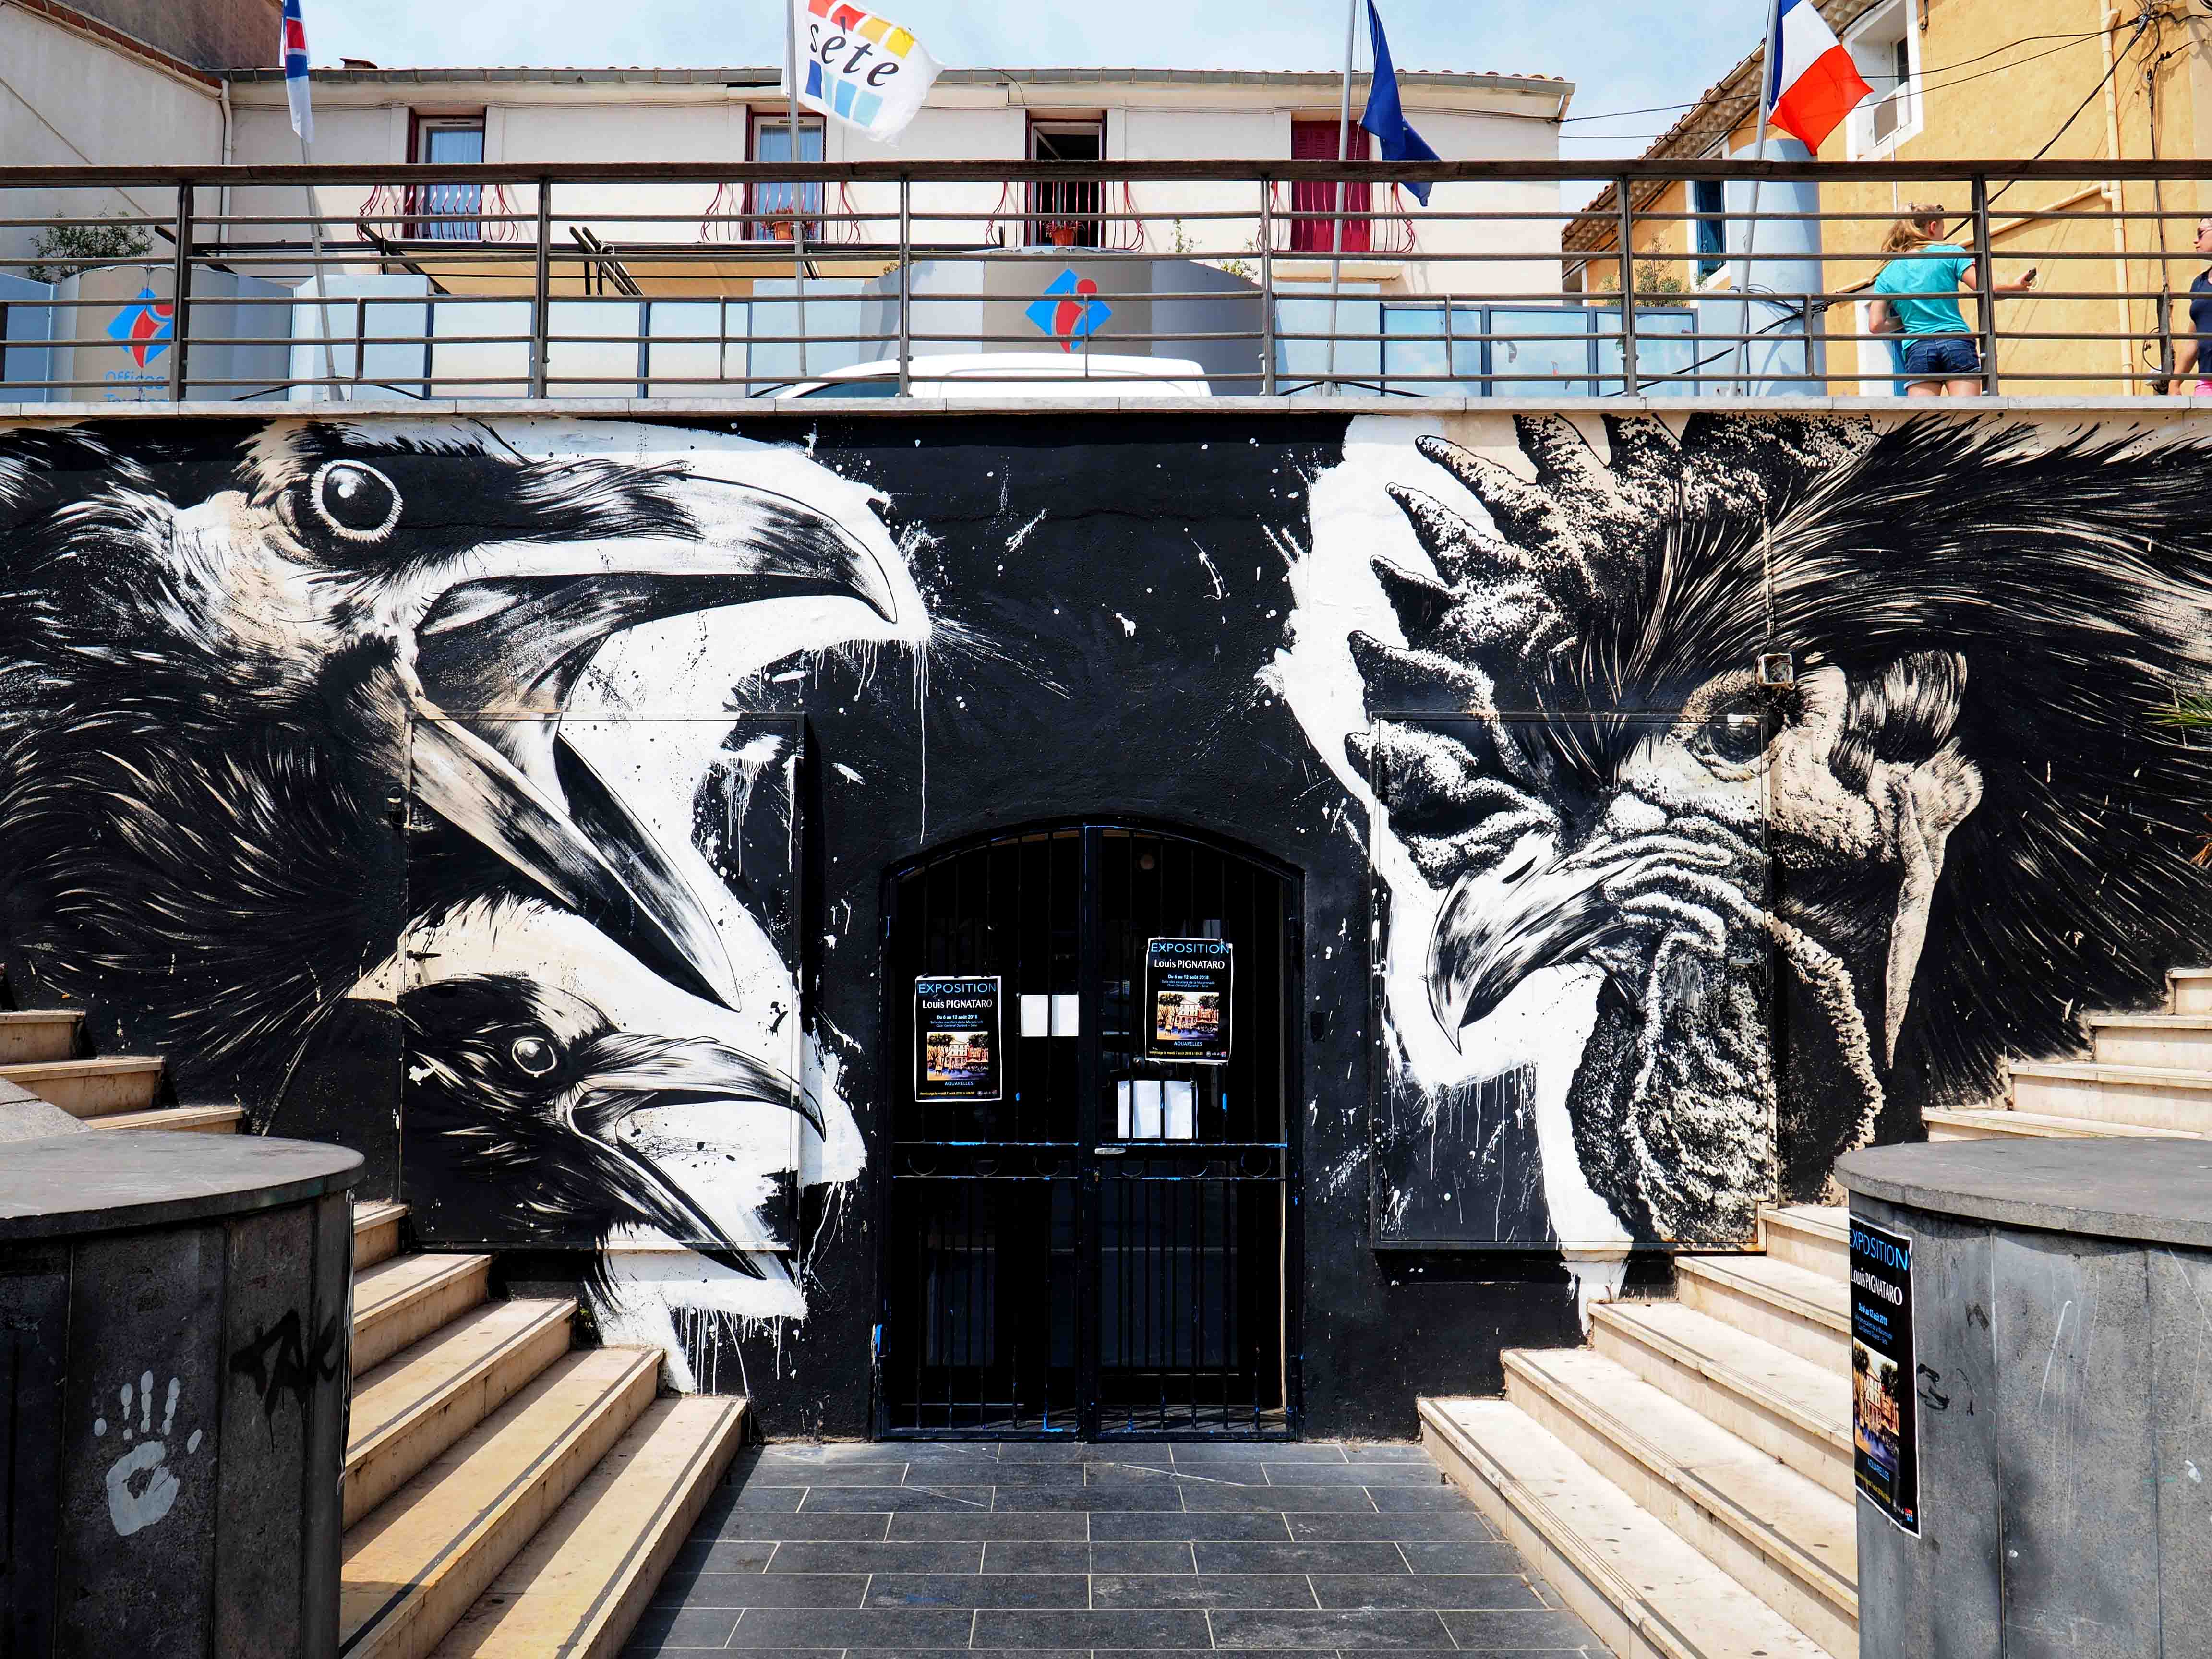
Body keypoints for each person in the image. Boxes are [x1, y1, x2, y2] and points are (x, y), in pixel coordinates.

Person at [1866, 204, 2036, 397]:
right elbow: (1990, 291)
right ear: (1932, 227)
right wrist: (2017, 287)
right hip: (1956, 342)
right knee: (1967, 413)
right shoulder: (1951, 253)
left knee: (1925, 416)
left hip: (1918, 348)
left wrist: (1908, 318)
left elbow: (1876, 325)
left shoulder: (1888, 273)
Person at [2160, 217, 2212, 394]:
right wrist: (2175, 384)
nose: (2195, 241)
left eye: (2201, 233)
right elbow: (2194, 340)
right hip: (2207, 383)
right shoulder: (2199, 284)